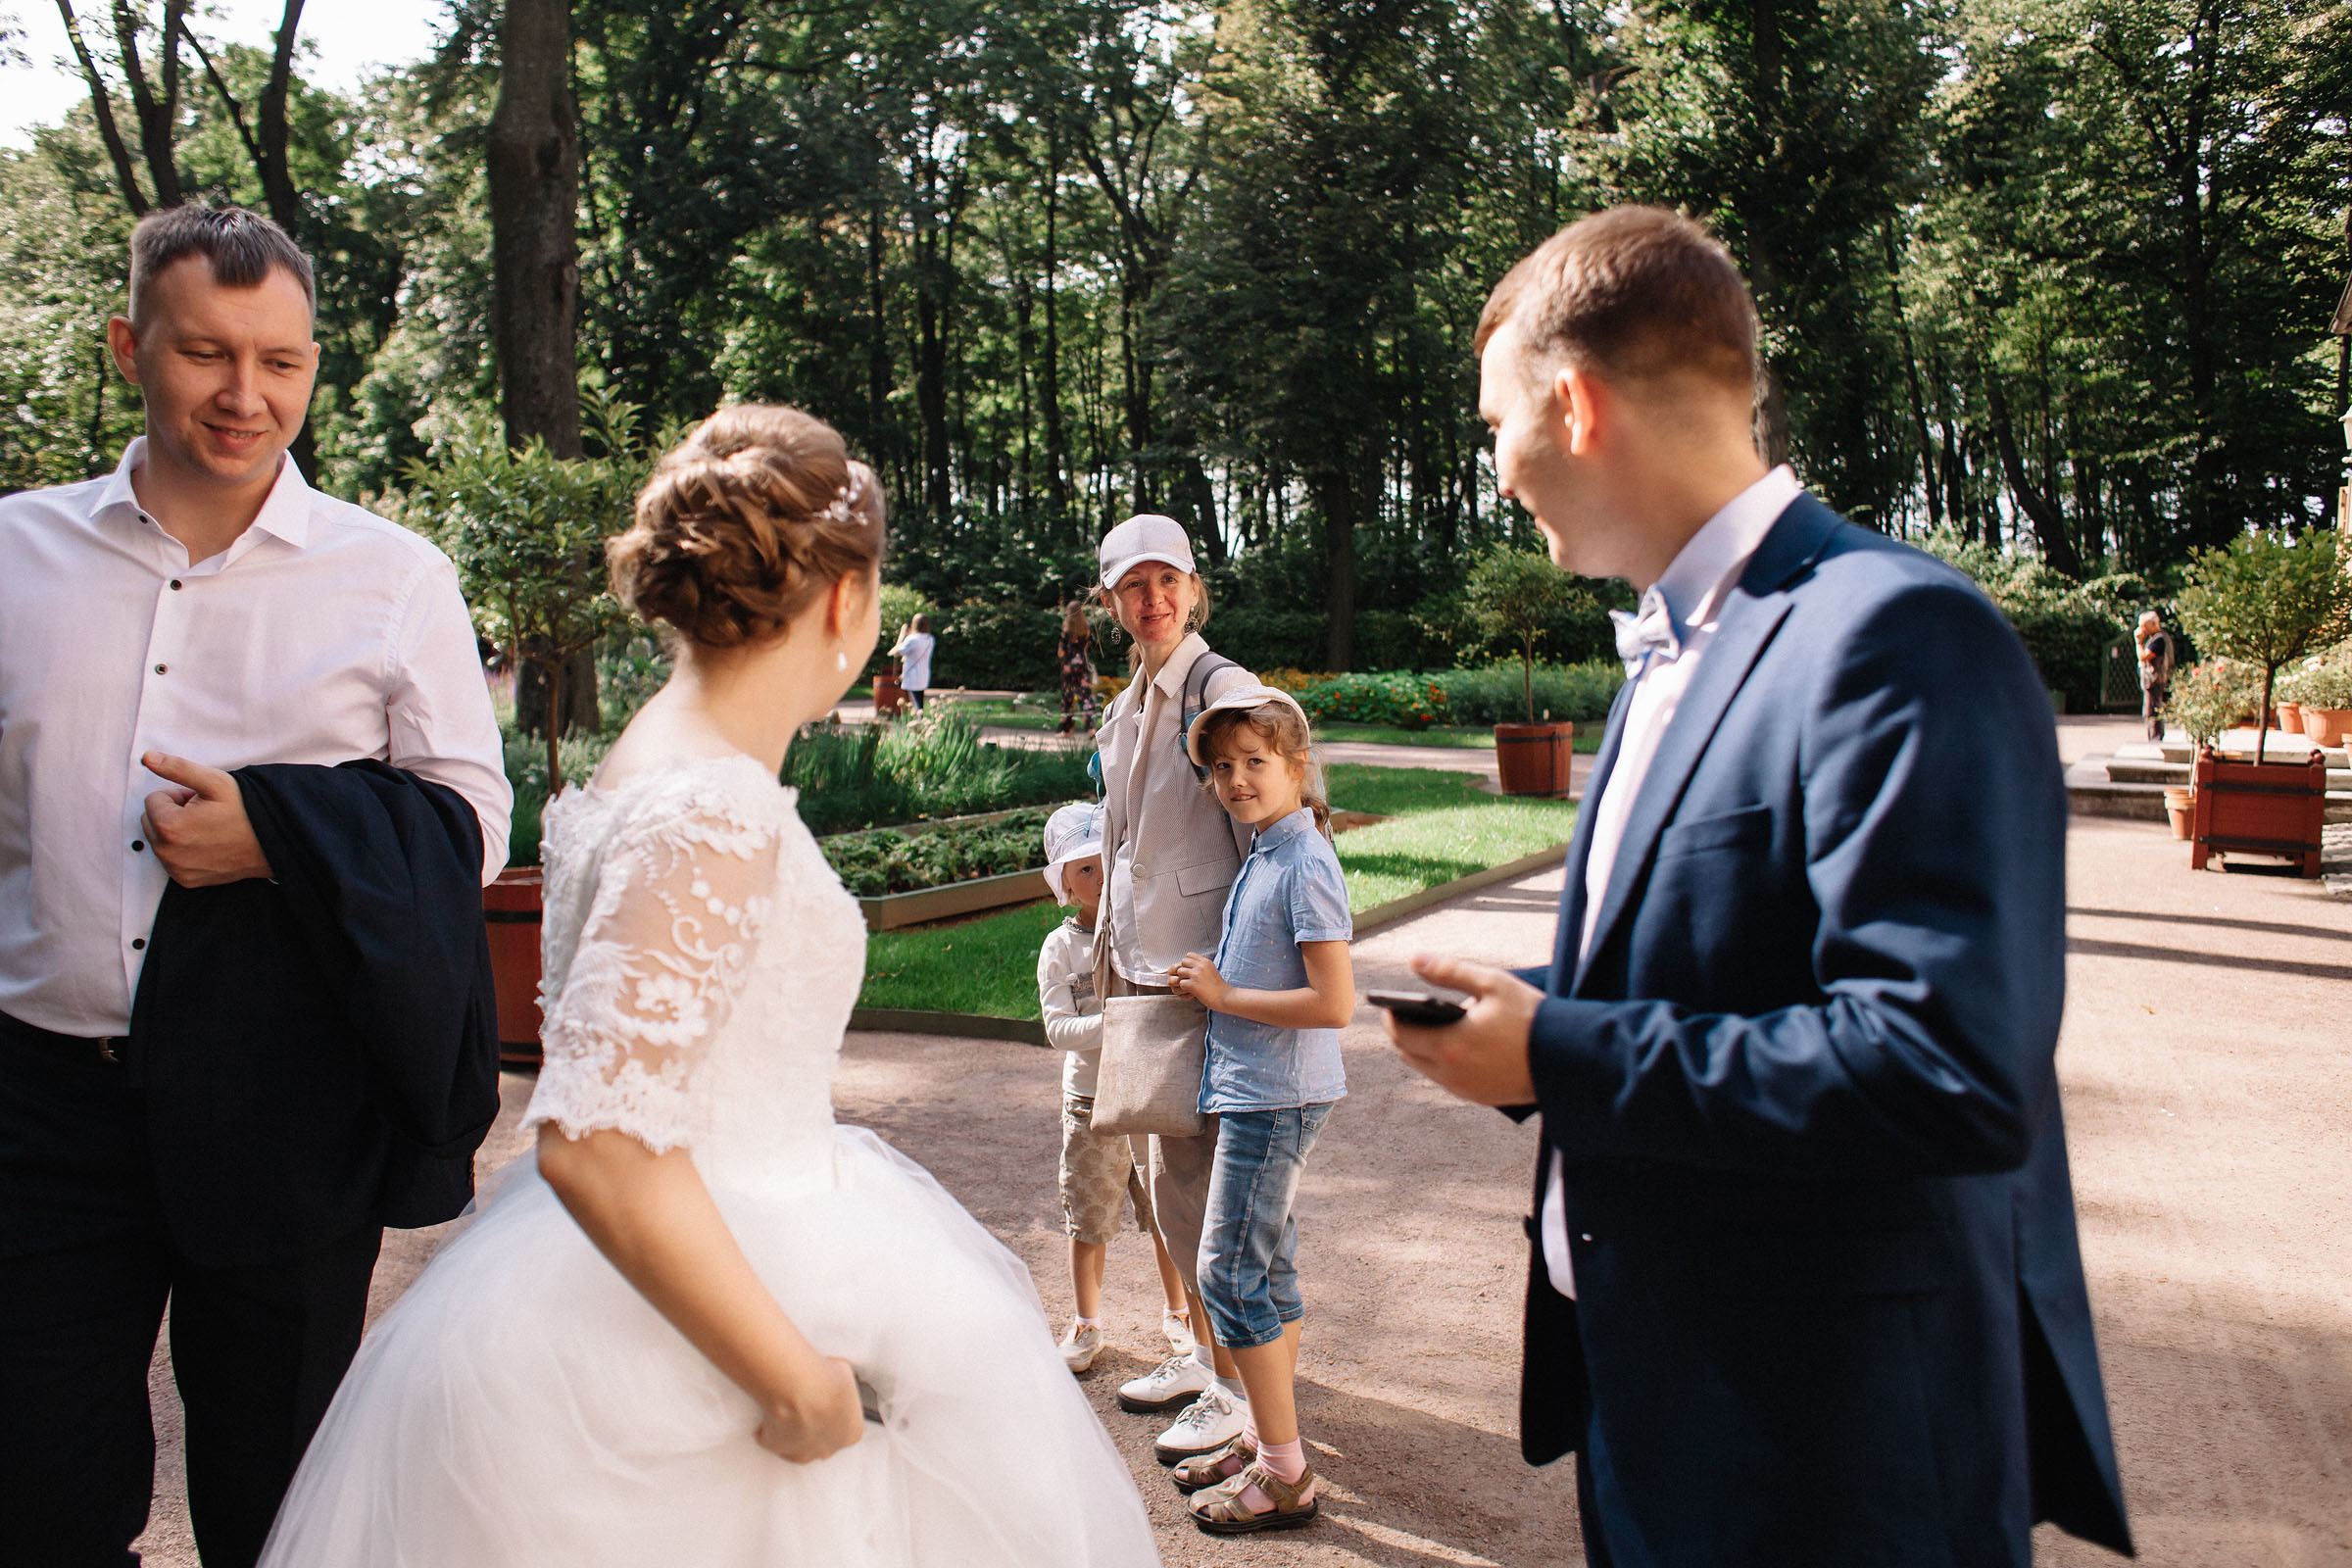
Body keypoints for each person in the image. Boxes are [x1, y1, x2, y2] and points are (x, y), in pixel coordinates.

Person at [256, 407, 1156, 1567]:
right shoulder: (710, 810)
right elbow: (594, 1139)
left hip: (639, 1261)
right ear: (844, 599)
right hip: (705, 1317)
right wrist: (790, 1377)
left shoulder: (657, 757)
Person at [1383, 207, 2132, 1566]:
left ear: (1575, 403)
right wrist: (1528, 1021)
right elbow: (1734, 965)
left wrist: (1564, 1047)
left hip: (1829, 1459)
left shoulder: (1896, 633)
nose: (1496, 472)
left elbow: (1946, 1066)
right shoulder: (1668, 648)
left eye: (1497, 426)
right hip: (1661, 1416)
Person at [0, 203, 512, 1568]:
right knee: (33, 1494)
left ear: (313, 367)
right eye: (204, 354)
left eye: (280, 361)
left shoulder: (394, 578)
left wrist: (280, 835)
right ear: (129, 348)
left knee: (280, 1502)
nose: (245, 395)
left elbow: (473, 823)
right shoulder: (12, 558)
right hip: (38, 1101)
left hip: (285, 1103)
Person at [1090, 513, 1261, 1464]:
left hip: (1202, 977)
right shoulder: (1135, 697)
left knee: (1206, 1190)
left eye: (1168, 581)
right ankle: (1202, 1352)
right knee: (1164, 1178)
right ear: (1110, 600)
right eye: (1132, 586)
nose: (1153, 600)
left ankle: (1238, 1392)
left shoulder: (1218, 688)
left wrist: (1246, 976)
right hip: (1145, 965)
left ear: (1195, 589)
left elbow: (1274, 825)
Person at [1166, 686, 1353, 1537]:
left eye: (1256, 762)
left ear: (1295, 765)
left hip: (1275, 1094)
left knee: (1226, 1273)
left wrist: (1224, 992)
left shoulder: (1304, 861)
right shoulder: (1270, 852)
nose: (1238, 779)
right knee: (1267, 1269)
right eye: (1224, 767)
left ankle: (1285, 1475)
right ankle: (1261, 1437)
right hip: (1259, 1088)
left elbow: (1334, 1002)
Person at [1037, 802, 1196, 1375]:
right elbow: (1058, 1029)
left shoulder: (1137, 935)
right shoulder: (1061, 950)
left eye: (1104, 862)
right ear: (1063, 884)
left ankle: (1178, 1313)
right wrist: (1117, 1022)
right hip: (1091, 1100)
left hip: (1148, 1092)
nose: (1098, 877)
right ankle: (1086, 1322)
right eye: (1083, 869)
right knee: (1090, 1216)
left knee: (1164, 1214)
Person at [1058, 600, 1102, 734]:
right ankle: (1091, 728)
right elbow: (1087, 646)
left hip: (1068, 668)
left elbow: (1060, 652)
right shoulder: (1085, 630)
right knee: (1086, 697)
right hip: (1082, 666)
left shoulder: (1066, 631)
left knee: (1068, 697)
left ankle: (1067, 729)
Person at [2137, 610, 2176, 743]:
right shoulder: (2159, 637)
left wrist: (2138, 642)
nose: (2142, 629)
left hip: (2154, 680)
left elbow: (2144, 657)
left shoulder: (2158, 640)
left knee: (2152, 711)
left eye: (2144, 626)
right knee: (2153, 710)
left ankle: (2155, 739)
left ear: (2152, 624)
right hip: (2155, 680)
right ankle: (2155, 737)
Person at [891, 611, 936, 711]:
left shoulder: (911, 639)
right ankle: (919, 721)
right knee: (919, 702)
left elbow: (896, 652)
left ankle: (918, 723)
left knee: (915, 704)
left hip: (912, 675)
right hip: (924, 674)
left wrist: (902, 635)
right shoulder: (930, 639)